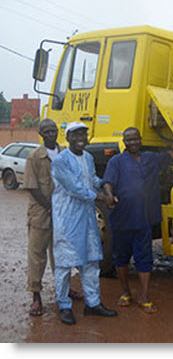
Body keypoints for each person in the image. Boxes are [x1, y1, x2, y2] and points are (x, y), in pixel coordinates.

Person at [51, 121, 117, 325]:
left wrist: (105, 186)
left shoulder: (88, 157)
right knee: (65, 264)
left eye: (84, 134)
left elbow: (92, 179)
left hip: (88, 219)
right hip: (68, 219)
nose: (81, 138)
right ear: (68, 137)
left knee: (91, 262)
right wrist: (103, 199)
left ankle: (93, 303)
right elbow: (75, 188)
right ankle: (64, 305)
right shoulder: (61, 160)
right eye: (76, 134)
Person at [102, 127, 172, 313]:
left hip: (143, 218)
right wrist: (108, 196)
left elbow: (171, 155)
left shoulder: (150, 158)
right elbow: (107, 182)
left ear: (140, 140)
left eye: (135, 139)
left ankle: (144, 295)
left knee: (144, 257)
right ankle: (125, 292)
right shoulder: (116, 161)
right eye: (129, 140)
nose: (132, 143)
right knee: (121, 257)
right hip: (122, 217)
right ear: (124, 142)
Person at [23, 118, 83, 316]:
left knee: (62, 255)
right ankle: (36, 296)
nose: (51, 134)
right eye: (46, 131)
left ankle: (63, 290)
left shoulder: (66, 154)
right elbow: (31, 187)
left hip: (62, 214)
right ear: (40, 134)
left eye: (53, 130)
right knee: (37, 255)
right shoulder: (34, 157)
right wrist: (51, 207)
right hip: (41, 214)